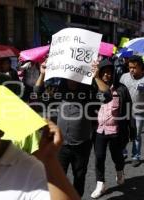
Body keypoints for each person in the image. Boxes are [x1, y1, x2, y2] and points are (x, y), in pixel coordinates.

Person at [34, 61, 109, 197]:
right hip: (61, 145)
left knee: (79, 177)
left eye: (75, 76)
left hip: (82, 144)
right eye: (69, 76)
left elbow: (106, 97)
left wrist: (97, 77)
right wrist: (42, 74)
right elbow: (37, 93)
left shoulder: (88, 91)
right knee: (57, 177)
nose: (71, 80)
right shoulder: (58, 90)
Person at [90, 60, 133, 198]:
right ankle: (100, 184)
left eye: (110, 72)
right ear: (100, 73)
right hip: (99, 130)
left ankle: (120, 171)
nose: (107, 75)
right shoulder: (93, 88)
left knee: (117, 157)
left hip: (116, 131)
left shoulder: (121, 89)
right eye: (104, 72)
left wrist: (132, 130)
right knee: (99, 157)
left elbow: (128, 110)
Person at [120, 55, 144, 167]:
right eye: (130, 67)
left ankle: (136, 156)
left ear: (141, 68)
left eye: (134, 67)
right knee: (122, 133)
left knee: (137, 135)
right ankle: (123, 151)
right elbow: (117, 92)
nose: (131, 70)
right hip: (124, 111)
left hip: (139, 112)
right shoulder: (124, 77)